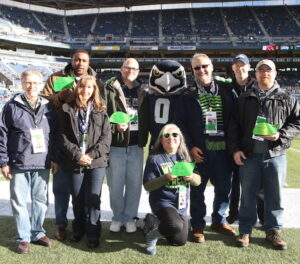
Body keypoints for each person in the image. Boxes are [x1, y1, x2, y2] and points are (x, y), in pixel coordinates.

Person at [228, 59, 300, 250]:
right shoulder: (245, 98)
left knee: (274, 196)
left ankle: (273, 230)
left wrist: (280, 135)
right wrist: (235, 149)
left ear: (275, 74)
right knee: (248, 195)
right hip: (250, 155)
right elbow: (234, 126)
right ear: (256, 73)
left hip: (275, 155)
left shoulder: (286, 98)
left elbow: (297, 123)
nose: (265, 73)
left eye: (269, 70)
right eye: (261, 70)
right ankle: (245, 230)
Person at [42, 50, 102, 241]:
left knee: (82, 191)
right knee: (61, 188)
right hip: (62, 142)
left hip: (86, 143)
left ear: (88, 63)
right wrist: (59, 97)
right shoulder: (56, 78)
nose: (80, 63)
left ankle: (83, 224)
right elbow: (44, 102)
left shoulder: (95, 80)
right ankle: (61, 224)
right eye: (77, 59)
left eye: (84, 60)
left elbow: (100, 106)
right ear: (72, 61)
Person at [0, 70, 58, 254]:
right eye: (27, 82)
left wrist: (55, 158)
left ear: (41, 84)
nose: (31, 86)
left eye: (35, 83)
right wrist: (3, 162)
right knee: (19, 201)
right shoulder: (11, 107)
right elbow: (2, 135)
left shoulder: (49, 107)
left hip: (42, 162)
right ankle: (23, 237)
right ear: (21, 84)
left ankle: (37, 232)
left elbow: (55, 136)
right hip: (19, 162)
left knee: (41, 200)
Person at [185, 53, 236, 243]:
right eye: (197, 68)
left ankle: (219, 220)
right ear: (193, 71)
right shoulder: (187, 93)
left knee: (224, 188)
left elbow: (235, 120)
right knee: (197, 189)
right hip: (199, 151)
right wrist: (190, 147)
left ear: (212, 67)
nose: (201, 70)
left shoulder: (227, 89)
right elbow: (181, 123)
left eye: (204, 66)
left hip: (223, 150)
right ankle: (198, 225)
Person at [59, 75, 111, 248]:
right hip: (74, 161)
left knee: (93, 199)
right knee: (78, 198)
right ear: (77, 88)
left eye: (90, 87)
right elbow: (63, 137)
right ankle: (78, 230)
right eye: (82, 87)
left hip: (96, 162)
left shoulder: (101, 109)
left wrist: (91, 155)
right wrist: (77, 155)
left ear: (94, 90)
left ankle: (93, 233)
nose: (85, 90)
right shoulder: (67, 109)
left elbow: (106, 138)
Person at [102, 58, 148, 233]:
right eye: (127, 68)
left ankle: (129, 217)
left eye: (134, 68)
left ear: (138, 71)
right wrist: (114, 127)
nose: (131, 71)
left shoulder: (144, 90)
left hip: (137, 144)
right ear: (121, 70)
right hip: (116, 145)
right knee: (115, 184)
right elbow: (102, 115)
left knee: (134, 184)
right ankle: (117, 217)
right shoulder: (110, 88)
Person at [143, 124, 201, 255]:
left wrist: (191, 177)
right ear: (161, 140)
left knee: (179, 241)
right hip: (163, 202)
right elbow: (147, 185)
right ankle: (152, 236)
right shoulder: (154, 158)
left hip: (181, 204)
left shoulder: (185, 157)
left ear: (180, 139)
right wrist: (166, 178)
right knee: (174, 225)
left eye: (175, 135)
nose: (171, 138)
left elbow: (198, 181)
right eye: (167, 135)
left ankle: (153, 221)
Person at [227, 54, 263, 224]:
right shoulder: (226, 87)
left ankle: (262, 216)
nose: (240, 68)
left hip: (253, 138)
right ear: (233, 67)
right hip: (232, 138)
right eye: (237, 65)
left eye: (243, 65)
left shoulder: (258, 86)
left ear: (249, 67)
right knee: (234, 181)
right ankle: (233, 213)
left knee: (258, 182)